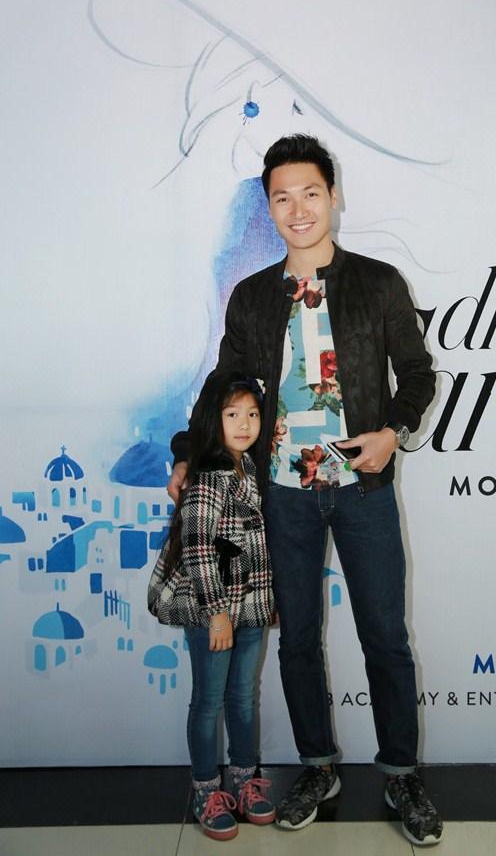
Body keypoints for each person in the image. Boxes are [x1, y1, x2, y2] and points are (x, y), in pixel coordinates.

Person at [168, 135, 443, 846]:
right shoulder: (253, 296)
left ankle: (402, 773)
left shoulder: (378, 284)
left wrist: (393, 432)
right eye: (282, 197)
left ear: (334, 196)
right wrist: (188, 455)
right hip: (280, 495)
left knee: (386, 637)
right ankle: (318, 767)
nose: (298, 209)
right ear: (269, 208)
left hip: (362, 487)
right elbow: (221, 388)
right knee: (297, 643)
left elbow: (417, 373)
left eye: (311, 193)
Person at [148, 371, 276, 842]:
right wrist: (217, 614)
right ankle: (207, 789)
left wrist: (265, 602)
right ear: (211, 419)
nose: (244, 424)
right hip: (214, 614)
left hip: (251, 611)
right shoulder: (207, 478)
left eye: (252, 414)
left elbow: (257, 546)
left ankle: (243, 779)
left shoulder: (252, 470)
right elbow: (200, 550)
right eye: (232, 414)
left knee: (243, 697)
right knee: (208, 701)